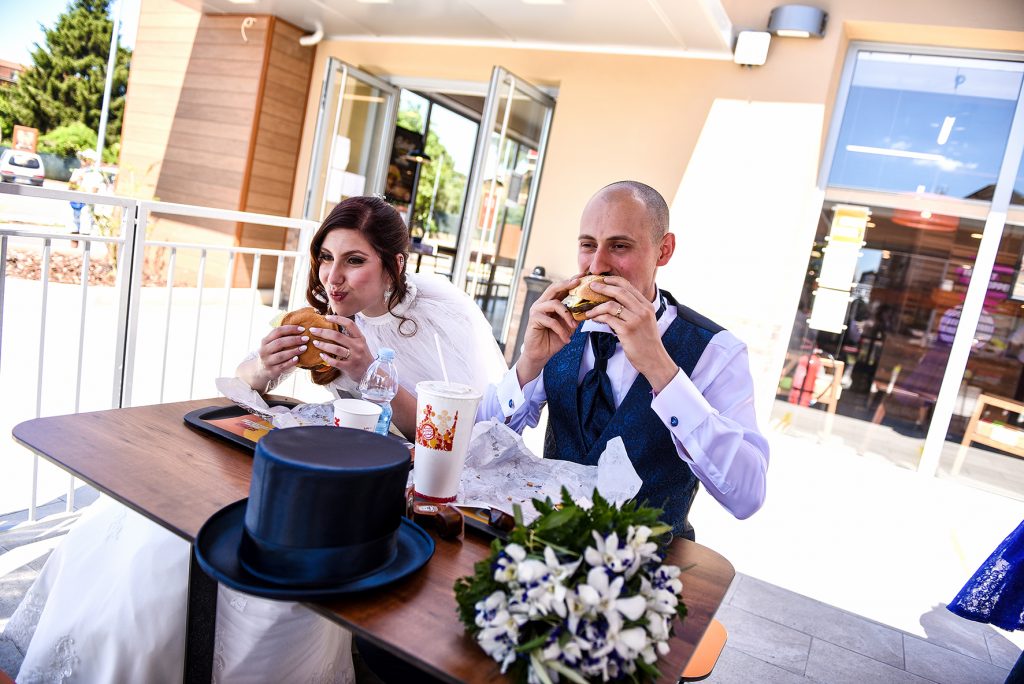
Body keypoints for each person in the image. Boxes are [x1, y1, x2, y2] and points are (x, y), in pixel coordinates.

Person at [3, 196, 507, 683]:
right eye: (325, 258)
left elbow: (463, 431)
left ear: (394, 265)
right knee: (154, 530)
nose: (332, 277)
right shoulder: (326, 315)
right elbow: (245, 381)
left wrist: (371, 371)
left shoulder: (438, 317)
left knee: (252, 545)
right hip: (315, 456)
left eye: (354, 261)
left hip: (385, 479)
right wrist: (265, 366)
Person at [477, 180, 769, 538]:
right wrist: (527, 366)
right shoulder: (559, 324)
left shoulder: (717, 351)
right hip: (544, 549)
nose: (597, 266)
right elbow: (477, 445)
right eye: (588, 245)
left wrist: (662, 370)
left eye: (619, 246)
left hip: (649, 569)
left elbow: (748, 496)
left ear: (664, 250)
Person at [67, 149, 105, 237]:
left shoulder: (96, 175)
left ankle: (83, 249)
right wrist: (75, 181)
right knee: (73, 228)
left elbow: (93, 192)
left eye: (84, 158)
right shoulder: (77, 172)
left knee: (85, 229)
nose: (82, 160)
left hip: (86, 205)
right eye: (81, 158)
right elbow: (70, 188)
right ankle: (73, 248)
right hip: (75, 203)